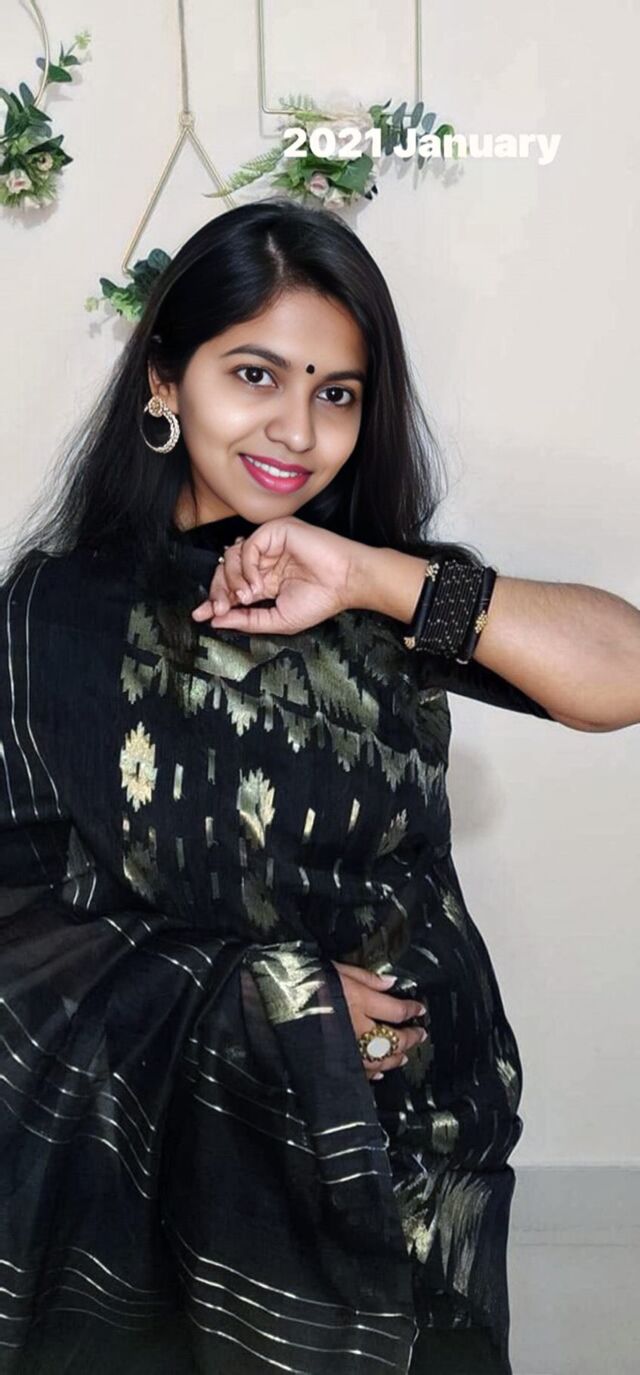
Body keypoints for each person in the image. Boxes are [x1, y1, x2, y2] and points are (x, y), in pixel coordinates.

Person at [1, 197, 637, 1375]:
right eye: (255, 374)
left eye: (336, 392)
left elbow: (623, 671)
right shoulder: (56, 616)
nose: (297, 430)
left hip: (408, 1171)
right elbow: (17, 924)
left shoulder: (390, 593)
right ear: (165, 380)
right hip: (169, 1189)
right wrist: (265, 1000)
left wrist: (370, 573)